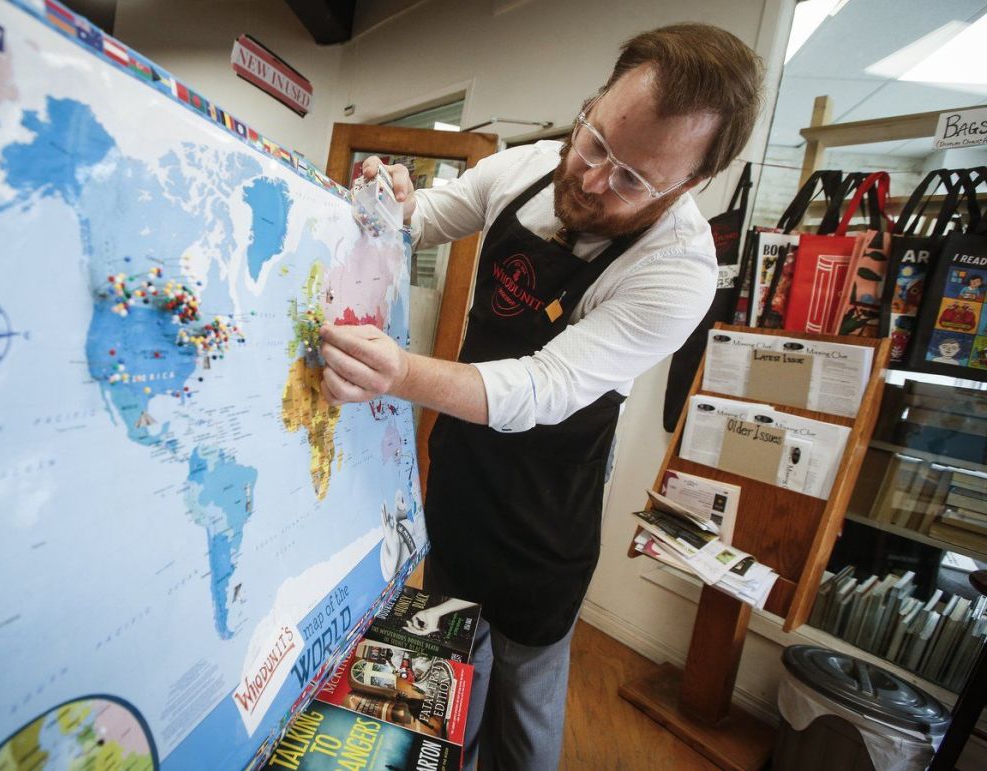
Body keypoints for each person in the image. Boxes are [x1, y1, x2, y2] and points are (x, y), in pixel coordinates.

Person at [319, 23, 763, 770]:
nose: (592, 180)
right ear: (591, 105)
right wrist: (394, 202)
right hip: (459, 477)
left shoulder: (678, 269)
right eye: (595, 144)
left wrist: (399, 374)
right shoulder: (524, 166)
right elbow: (426, 220)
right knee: (443, 677)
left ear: (688, 186)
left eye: (632, 179)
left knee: (523, 718)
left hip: (544, 524)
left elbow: (542, 386)